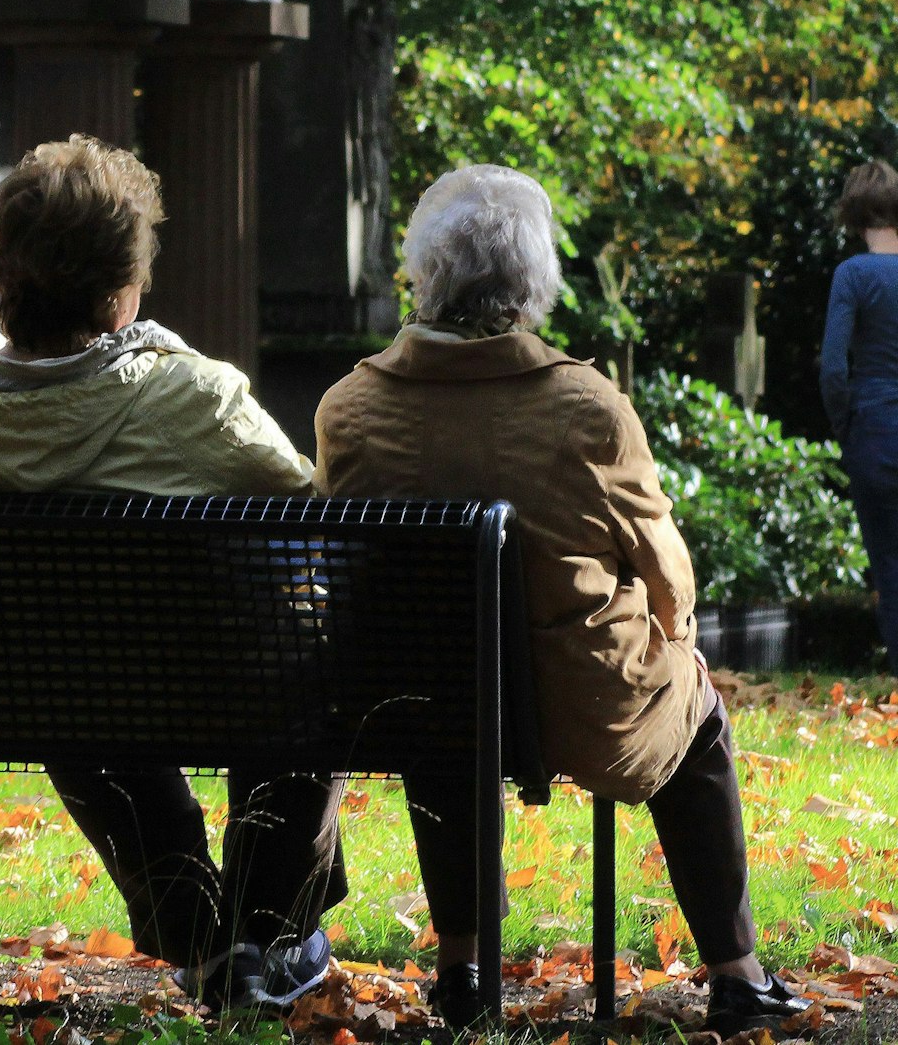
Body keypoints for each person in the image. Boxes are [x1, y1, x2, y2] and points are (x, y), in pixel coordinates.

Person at [314, 164, 812, 1033]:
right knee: (698, 717)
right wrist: (676, 643)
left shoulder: (351, 408)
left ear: (424, 273)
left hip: (420, 702)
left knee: (446, 694)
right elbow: (666, 570)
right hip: (582, 705)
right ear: (534, 280)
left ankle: (463, 968)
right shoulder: (587, 406)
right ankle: (738, 975)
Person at [0, 135, 343, 1010]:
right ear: (121, 290)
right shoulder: (193, 399)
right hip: (201, 686)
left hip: (10, 693)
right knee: (299, 644)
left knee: (67, 667)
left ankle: (204, 934)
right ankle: (268, 932)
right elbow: (311, 513)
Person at [821, 159, 898, 671]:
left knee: (890, 564)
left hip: (874, 429)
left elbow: (833, 368)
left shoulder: (853, 275)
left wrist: (844, 424)